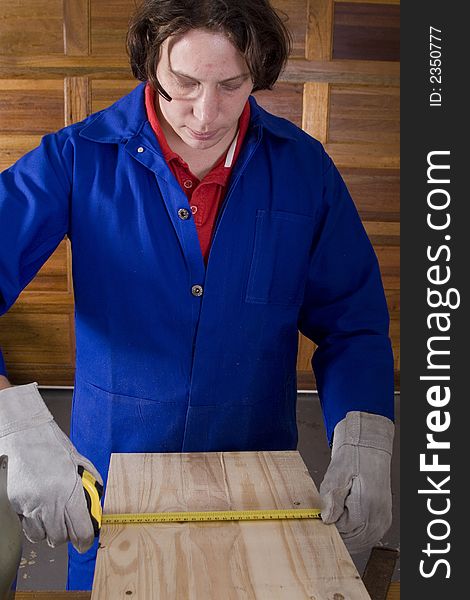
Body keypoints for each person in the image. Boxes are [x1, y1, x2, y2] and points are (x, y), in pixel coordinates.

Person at [0, 0, 395, 591]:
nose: (205, 114)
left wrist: (366, 433)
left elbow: (353, 322)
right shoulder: (76, 157)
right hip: (111, 477)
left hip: (260, 475)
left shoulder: (304, 168)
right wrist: (14, 425)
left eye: (231, 86)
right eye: (183, 83)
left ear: (256, 75)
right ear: (149, 67)